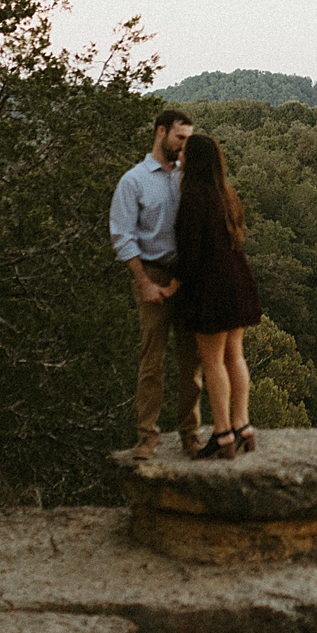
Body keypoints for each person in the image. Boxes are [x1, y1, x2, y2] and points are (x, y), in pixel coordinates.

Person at [109, 108, 204, 460]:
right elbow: (122, 235)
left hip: (186, 277)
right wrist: (144, 282)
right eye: (180, 138)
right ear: (161, 131)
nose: (184, 146)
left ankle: (190, 434)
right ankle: (147, 436)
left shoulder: (186, 177)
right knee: (152, 360)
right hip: (151, 274)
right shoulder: (133, 181)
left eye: (189, 140)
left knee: (190, 361)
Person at [166, 133, 263, 459]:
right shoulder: (227, 194)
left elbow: (190, 254)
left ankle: (222, 434)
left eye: (184, 155)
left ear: (194, 160)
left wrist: (173, 285)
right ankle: (243, 427)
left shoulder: (195, 197)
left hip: (212, 287)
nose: (180, 159)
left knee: (212, 361)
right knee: (235, 356)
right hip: (238, 281)